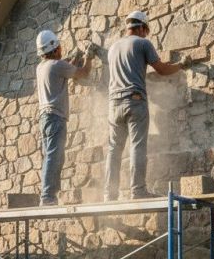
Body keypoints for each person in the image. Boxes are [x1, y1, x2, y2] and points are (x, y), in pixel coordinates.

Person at [104, 11, 191, 202]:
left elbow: (127, 71)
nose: (146, 34)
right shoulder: (142, 43)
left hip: (113, 105)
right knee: (137, 147)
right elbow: (161, 69)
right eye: (146, 31)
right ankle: (137, 191)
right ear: (142, 27)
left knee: (114, 150)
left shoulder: (112, 48)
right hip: (134, 101)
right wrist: (181, 65)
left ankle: (109, 194)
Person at [35, 29, 93, 206]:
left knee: (51, 156)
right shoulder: (57, 66)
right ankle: (47, 197)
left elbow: (66, 70)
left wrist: (73, 59)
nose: (61, 49)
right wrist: (89, 57)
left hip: (44, 118)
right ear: (54, 48)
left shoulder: (41, 67)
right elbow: (82, 73)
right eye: (59, 47)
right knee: (54, 155)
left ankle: (49, 194)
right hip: (55, 118)